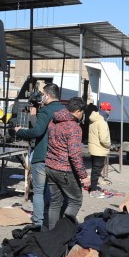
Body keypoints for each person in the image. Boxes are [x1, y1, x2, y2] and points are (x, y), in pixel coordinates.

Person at [15, 83, 63, 229]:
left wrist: (20, 131)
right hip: (58, 157)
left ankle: (38, 222)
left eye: (43, 94)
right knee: (55, 192)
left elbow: (37, 132)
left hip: (42, 155)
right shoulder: (64, 109)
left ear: (47, 95)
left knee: (38, 192)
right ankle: (54, 221)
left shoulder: (46, 111)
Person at [45, 97, 90, 228]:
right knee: (76, 200)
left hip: (50, 166)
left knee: (55, 202)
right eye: (82, 112)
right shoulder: (74, 127)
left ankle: (52, 234)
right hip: (64, 169)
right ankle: (64, 231)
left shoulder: (53, 121)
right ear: (78, 112)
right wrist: (84, 176)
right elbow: (75, 155)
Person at [86, 102, 112, 195]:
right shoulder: (102, 121)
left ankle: (93, 188)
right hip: (100, 149)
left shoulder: (94, 119)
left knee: (94, 169)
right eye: (109, 110)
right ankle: (93, 190)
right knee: (97, 170)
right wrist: (109, 144)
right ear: (105, 110)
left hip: (94, 148)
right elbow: (104, 138)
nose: (110, 112)